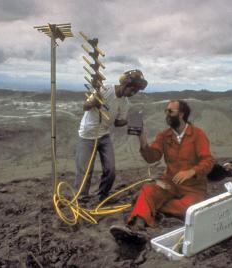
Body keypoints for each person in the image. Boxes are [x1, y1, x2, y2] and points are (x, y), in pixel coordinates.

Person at [110, 100, 215, 242]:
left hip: (194, 188)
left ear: (182, 114)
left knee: (190, 209)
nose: (167, 114)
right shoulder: (164, 136)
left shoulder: (198, 134)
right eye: (166, 111)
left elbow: (208, 161)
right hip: (169, 184)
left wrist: (191, 172)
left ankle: (148, 207)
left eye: (170, 111)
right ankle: (136, 227)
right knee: (148, 190)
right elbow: (151, 157)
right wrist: (142, 139)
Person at [74, 70, 148, 202]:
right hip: (87, 134)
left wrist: (131, 120)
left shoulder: (125, 103)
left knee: (110, 169)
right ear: (125, 84)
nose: (133, 93)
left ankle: (102, 195)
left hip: (104, 135)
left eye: (136, 91)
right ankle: (81, 198)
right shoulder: (105, 89)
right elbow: (85, 106)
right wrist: (93, 103)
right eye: (133, 89)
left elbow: (118, 123)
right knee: (85, 170)